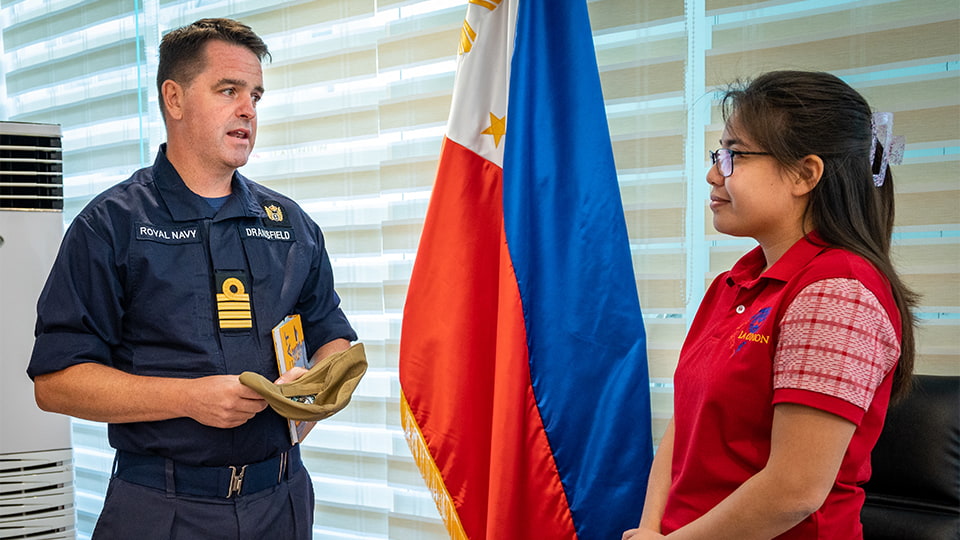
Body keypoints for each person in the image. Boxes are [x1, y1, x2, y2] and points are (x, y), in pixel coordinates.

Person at [27, 18, 357, 539]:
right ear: (174, 99)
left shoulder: (289, 224)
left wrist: (313, 389)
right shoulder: (111, 225)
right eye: (228, 90)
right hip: (162, 508)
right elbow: (56, 382)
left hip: (283, 501)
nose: (247, 109)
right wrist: (189, 399)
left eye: (255, 95)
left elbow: (332, 337)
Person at [623, 70, 917, 539]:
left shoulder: (837, 290)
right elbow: (686, 423)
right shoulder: (734, 282)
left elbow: (793, 491)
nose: (714, 173)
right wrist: (649, 530)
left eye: (734, 155)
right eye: (719, 154)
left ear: (805, 174)